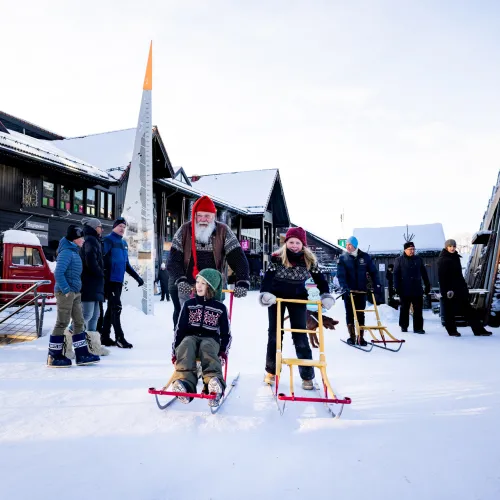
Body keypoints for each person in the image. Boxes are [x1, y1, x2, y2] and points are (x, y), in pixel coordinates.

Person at [259, 227, 334, 390]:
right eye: (291, 242)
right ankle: (271, 370)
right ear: (286, 243)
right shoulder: (277, 258)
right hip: (276, 298)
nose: (294, 245)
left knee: (300, 334)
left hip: (298, 299)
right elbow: (267, 279)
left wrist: (326, 295)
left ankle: (307, 375)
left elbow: (320, 280)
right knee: (274, 333)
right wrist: (265, 293)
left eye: (297, 243)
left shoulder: (309, 260)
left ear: (303, 244)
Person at [167, 195, 250, 327]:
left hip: (213, 285)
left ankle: (212, 345)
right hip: (187, 283)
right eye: (200, 216)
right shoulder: (184, 230)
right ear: (194, 215)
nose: (203, 220)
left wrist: (242, 281)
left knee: (212, 318)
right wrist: (180, 279)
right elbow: (173, 259)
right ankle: (181, 342)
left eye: (207, 216)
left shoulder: (223, 231)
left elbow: (238, 257)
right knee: (184, 316)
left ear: (214, 216)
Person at [170, 268, 231, 407]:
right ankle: (185, 383)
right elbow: (180, 329)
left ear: (211, 286)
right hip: (191, 337)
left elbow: (226, 334)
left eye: (203, 283)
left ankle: (213, 383)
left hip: (211, 340)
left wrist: (223, 352)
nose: (198, 285)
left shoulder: (220, 308)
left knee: (207, 346)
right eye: (197, 282)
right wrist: (175, 351)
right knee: (186, 343)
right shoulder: (189, 305)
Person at [46, 225, 100, 367]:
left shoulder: (74, 251)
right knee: (62, 322)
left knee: (79, 321)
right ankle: (53, 355)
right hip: (66, 292)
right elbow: (58, 273)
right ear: (74, 239)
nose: (83, 240)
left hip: (75, 292)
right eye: (80, 237)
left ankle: (82, 353)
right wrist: (66, 289)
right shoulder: (66, 253)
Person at [101, 217, 144, 348]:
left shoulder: (124, 243)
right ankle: (120, 338)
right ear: (114, 227)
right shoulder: (108, 240)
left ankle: (104, 336)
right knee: (116, 308)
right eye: (120, 226)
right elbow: (101, 257)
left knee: (111, 309)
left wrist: (137, 277)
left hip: (118, 280)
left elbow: (126, 264)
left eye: (124, 227)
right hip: (110, 280)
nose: (122, 229)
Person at [438, 239, 492, 337]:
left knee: (469, 310)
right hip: (450, 291)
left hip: (459, 289)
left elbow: (459, 275)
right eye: (450, 246)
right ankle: (452, 331)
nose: (452, 248)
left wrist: (464, 287)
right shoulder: (443, 259)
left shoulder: (455, 257)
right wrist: (447, 290)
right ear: (446, 247)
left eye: (454, 246)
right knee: (449, 312)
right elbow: (442, 277)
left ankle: (478, 330)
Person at [337, 236, 381, 346]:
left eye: (349, 245)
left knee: (360, 313)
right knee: (350, 313)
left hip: (362, 290)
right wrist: (344, 286)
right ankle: (351, 337)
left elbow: (373, 272)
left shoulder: (365, 257)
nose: (347, 247)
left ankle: (361, 337)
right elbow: (340, 275)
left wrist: (376, 284)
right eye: (346, 245)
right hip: (349, 291)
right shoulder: (343, 258)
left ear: (355, 245)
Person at [394, 241, 431, 334]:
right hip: (404, 288)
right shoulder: (399, 260)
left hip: (417, 288)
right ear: (405, 250)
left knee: (418, 309)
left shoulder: (418, 259)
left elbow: (424, 273)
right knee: (404, 308)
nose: (412, 251)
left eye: (413, 249)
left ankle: (418, 328)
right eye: (410, 249)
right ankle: (404, 326)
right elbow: (396, 275)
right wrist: (397, 287)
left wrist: (427, 284)